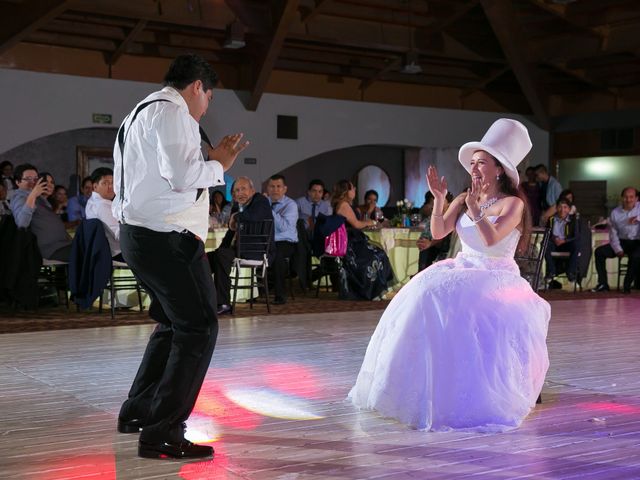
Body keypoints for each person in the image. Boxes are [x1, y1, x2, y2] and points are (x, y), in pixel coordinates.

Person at [349, 118, 550, 431]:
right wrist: (441, 199)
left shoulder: (513, 204)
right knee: (422, 293)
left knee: (452, 301)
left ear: (499, 169)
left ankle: (459, 388)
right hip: (463, 265)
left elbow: (491, 240)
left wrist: (476, 211)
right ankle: (420, 384)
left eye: (481, 163)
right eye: (472, 163)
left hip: (495, 273)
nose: (474, 168)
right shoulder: (465, 197)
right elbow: (439, 231)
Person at [112, 54, 248, 459]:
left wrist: (211, 161)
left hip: (142, 235)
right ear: (196, 87)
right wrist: (220, 164)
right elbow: (182, 176)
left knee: (175, 324)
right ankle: (163, 432)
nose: (208, 105)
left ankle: (138, 412)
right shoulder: (174, 114)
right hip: (165, 237)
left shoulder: (140, 111)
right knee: (199, 328)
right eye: (209, 96)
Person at [207, 177, 274, 315]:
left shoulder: (260, 200)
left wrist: (236, 216)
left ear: (252, 190)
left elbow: (254, 216)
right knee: (206, 259)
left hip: (257, 250)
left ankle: (223, 303)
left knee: (222, 256)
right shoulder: (237, 206)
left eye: (243, 189)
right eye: (237, 190)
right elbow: (231, 233)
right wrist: (221, 248)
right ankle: (204, 299)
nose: (239, 193)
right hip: (240, 249)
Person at [331, 179, 394, 300]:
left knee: (378, 252)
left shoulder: (344, 204)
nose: (354, 190)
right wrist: (371, 222)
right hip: (349, 243)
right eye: (352, 188)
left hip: (353, 240)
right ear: (346, 191)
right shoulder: (343, 205)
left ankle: (378, 290)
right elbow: (356, 224)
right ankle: (373, 291)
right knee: (377, 255)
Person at [10, 163, 72, 261]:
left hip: (61, 245)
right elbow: (22, 223)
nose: (33, 182)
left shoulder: (38, 198)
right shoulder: (19, 197)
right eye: (28, 178)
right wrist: (33, 194)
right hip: (50, 249)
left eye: (35, 178)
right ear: (18, 182)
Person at [592, 187, 640, 293]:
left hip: (637, 242)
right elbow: (613, 234)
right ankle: (603, 284)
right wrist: (618, 249)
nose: (628, 200)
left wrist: (637, 218)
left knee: (636, 256)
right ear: (622, 198)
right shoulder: (615, 213)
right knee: (599, 252)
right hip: (621, 241)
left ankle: (627, 285)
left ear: (636, 198)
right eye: (626, 197)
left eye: (631, 197)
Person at [266, 174, 298, 305]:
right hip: (267, 241)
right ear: (267, 189)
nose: (275, 190)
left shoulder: (291, 205)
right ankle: (256, 291)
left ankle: (280, 294)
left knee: (277, 255)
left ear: (285, 189)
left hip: (285, 241)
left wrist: (268, 211)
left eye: (278, 186)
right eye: (272, 187)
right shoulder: (264, 202)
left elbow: (284, 227)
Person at [85, 167, 123, 261]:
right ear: (95, 186)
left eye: (112, 183)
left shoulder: (91, 202)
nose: (110, 187)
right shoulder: (102, 205)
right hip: (117, 253)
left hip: (104, 253)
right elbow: (119, 235)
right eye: (105, 183)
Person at [543, 198, 578, 286]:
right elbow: (548, 234)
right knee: (545, 244)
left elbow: (576, 236)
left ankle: (570, 272)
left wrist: (564, 240)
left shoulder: (573, 220)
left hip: (566, 243)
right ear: (556, 208)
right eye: (560, 207)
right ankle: (551, 272)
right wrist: (554, 238)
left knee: (576, 245)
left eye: (565, 207)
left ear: (569, 209)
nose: (562, 210)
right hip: (554, 243)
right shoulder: (551, 219)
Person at [416, 191, 452, 271]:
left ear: (449, 204)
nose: (437, 203)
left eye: (441, 200)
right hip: (432, 248)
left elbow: (444, 235)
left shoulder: (450, 217)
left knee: (427, 250)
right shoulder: (434, 216)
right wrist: (423, 242)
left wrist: (430, 243)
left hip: (445, 251)